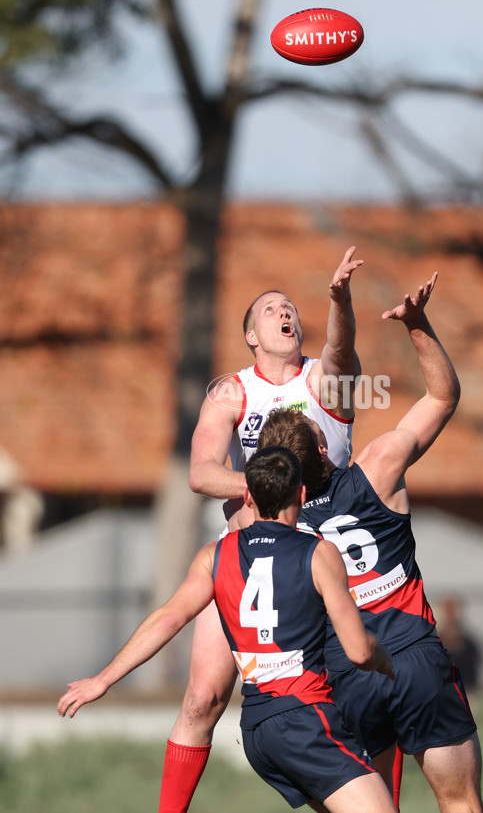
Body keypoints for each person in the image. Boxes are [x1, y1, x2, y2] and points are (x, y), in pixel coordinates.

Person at [58, 446, 398, 813]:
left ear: (248, 496)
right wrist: (385, 660)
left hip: (257, 730)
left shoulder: (214, 555)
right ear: (301, 494)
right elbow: (359, 651)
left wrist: (103, 679)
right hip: (304, 720)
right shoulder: (319, 553)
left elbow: (168, 618)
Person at [256, 273, 483, 813]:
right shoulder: (377, 467)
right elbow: (443, 396)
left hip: (348, 671)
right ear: (320, 443)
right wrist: (418, 324)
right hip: (413, 655)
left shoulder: (273, 528)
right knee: (460, 802)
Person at [160, 247, 364, 813]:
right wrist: (262, 487)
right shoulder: (231, 392)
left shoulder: (325, 378)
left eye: (293, 307)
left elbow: (343, 349)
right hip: (250, 560)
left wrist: (338, 299)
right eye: (272, 308)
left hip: (327, 557)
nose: (286, 313)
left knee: (361, 697)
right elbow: (201, 473)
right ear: (252, 333)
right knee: (202, 698)